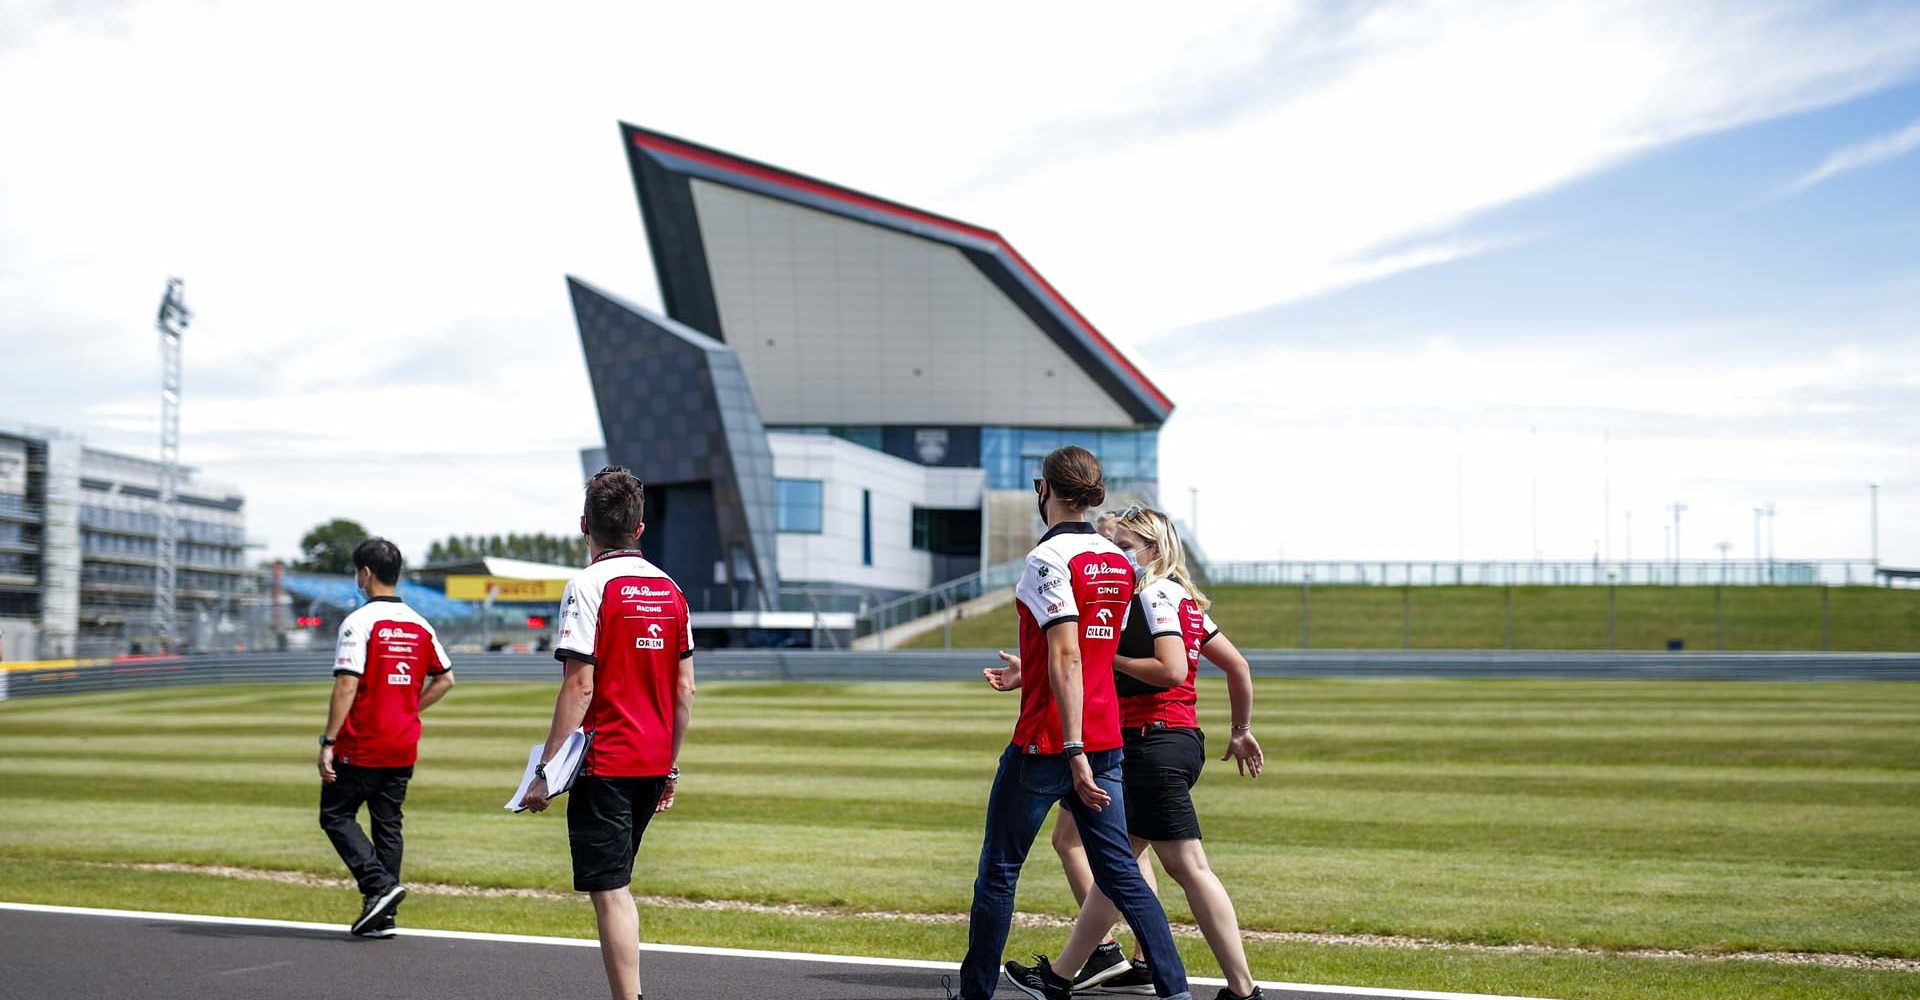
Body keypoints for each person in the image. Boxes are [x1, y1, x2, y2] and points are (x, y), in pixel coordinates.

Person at [985, 507, 1265, 1000]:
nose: (1117, 554)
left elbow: (1171, 670)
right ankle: (1065, 975)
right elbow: (1237, 666)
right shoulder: (1174, 597)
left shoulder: (1155, 593)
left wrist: (1108, 659)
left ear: (1154, 550)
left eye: (1127, 546)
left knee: (1186, 866)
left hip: (1150, 742)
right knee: (1117, 864)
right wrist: (1240, 729)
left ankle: (1242, 990)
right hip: (1167, 740)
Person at [959, 446, 1190, 1000]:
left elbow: (1066, 655)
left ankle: (975, 995)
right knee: (1124, 878)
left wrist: (1072, 747)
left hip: (1052, 742)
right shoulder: (1116, 558)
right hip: (1107, 736)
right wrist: (1029, 673)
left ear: (1046, 491)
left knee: (999, 872)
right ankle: (1176, 991)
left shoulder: (1048, 560)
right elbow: (1086, 651)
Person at [521, 467, 697, 1000]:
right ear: (640, 528)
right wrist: (670, 766)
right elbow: (685, 691)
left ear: (585, 525)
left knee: (611, 891)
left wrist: (544, 774)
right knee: (617, 886)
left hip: (605, 765)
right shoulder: (672, 589)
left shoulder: (587, 585)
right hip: (649, 762)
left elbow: (579, 685)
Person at [317, 537, 455, 938]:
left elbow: (346, 684)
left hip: (362, 742)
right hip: (402, 742)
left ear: (365, 573)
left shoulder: (359, 622)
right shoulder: (419, 623)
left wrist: (328, 741)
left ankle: (378, 887)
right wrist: (411, 708)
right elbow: (446, 678)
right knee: (388, 826)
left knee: (336, 815)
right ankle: (383, 916)